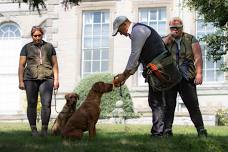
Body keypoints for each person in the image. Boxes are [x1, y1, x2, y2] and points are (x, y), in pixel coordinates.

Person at [112, 16, 181, 136]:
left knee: (156, 101)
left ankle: (158, 133)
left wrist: (123, 76)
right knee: (160, 101)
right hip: (161, 69)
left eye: (119, 31)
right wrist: (125, 77)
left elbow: (134, 56)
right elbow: (138, 59)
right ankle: (165, 131)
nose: (120, 34)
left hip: (160, 70)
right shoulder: (138, 30)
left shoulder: (137, 31)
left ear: (124, 24)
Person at [162, 17, 207, 137]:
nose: (175, 30)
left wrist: (199, 73)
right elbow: (158, 52)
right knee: (168, 105)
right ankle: (167, 131)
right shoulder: (165, 39)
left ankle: (201, 130)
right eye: (172, 28)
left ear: (182, 28)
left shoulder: (191, 39)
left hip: (187, 77)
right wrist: (167, 40)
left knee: (193, 105)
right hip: (170, 78)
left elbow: (198, 57)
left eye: (177, 28)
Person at [18, 26, 59, 137]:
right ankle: (33, 130)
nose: (37, 37)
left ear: (42, 35)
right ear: (32, 36)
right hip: (30, 79)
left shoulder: (49, 47)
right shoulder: (26, 48)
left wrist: (56, 80)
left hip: (47, 78)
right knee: (32, 104)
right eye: (34, 35)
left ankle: (44, 129)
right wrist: (21, 81)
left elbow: (55, 64)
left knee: (46, 104)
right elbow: (21, 65)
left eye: (39, 35)